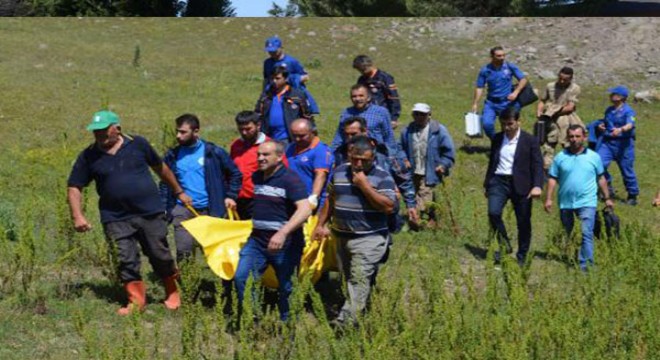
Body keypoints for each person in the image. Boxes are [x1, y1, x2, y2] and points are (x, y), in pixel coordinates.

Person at [67, 110, 187, 315]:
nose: (99, 135)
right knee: (125, 258)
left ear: (117, 129)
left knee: (159, 253)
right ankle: (136, 300)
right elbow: (74, 186)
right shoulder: (88, 155)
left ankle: (172, 290)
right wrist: (77, 215)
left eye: (104, 131)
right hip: (115, 217)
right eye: (96, 131)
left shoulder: (138, 144)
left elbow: (161, 168)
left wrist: (179, 191)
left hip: (149, 212)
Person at [312, 135, 397, 326]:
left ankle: (346, 322)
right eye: (354, 159)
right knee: (348, 277)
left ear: (373, 157)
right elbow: (330, 199)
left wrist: (365, 185)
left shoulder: (383, 177)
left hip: (369, 238)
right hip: (341, 237)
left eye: (364, 160)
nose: (358, 163)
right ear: (349, 154)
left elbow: (389, 207)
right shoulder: (340, 171)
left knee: (358, 278)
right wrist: (320, 224)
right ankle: (361, 310)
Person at [233, 141, 312, 321]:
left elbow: (305, 209)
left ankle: (288, 328)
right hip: (257, 241)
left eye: (266, 155)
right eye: (259, 154)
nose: (260, 158)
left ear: (279, 157)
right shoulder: (257, 177)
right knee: (242, 277)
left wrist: (283, 233)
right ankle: (251, 321)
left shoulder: (290, 179)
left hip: (286, 244)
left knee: (287, 286)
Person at [160, 114, 242, 263]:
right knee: (183, 249)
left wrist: (231, 196)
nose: (178, 136)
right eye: (177, 131)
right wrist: (165, 207)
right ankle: (187, 284)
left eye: (183, 132)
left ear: (196, 131)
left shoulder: (213, 152)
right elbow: (166, 182)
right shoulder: (173, 155)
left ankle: (224, 284)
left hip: (211, 209)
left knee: (217, 252)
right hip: (183, 209)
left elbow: (235, 174)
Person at [544, 125, 614, 271]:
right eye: (571, 136)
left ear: (584, 137)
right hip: (566, 202)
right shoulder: (560, 157)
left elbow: (601, 178)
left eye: (577, 136)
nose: (574, 139)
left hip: (587, 201)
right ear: (567, 138)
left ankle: (586, 264)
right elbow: (552, 179)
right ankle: (569, 255)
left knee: (586, 232)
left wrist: (607, 198)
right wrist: (548, 198)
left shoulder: (593, 157)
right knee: (567, 231)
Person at [333, 116, 418, 229]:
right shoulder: (339, 154)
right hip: (349, 220)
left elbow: (403, 179)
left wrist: (411, 205)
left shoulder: (386, 153)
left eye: (353, 134)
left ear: (365, 131)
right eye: (346, 134)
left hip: (382, 211)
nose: (349, 138)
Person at [483, 107, 543, 265]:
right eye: (503, 124)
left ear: (518, 122)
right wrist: (487, 184)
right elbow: (492, 162)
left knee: (523, 221)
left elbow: (537, 165)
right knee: (493, 213)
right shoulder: (497, 138)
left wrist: (537, 186)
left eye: (509, 124)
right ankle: (505, 244)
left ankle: (522, 256)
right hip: (499, 181)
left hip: (522, 183)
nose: (506, 127)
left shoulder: (530, 140)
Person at [400, 103, 456, 229]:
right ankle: (431, 218)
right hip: (413, 170)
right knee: (413, 193)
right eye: (416, 114)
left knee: (424, 196)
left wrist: (443, 164)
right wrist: (404, 159)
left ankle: (416, 220)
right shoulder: (407, 131)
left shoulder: (439, 131)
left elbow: (449, 152)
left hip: (431, 170)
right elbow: (400, 147)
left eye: (423, 114)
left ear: (429, 115)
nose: (419, 117)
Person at [471, 46, 528, 140]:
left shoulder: (510, 67)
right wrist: (475, 103)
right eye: (499, 56)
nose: (502, 58)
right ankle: (496, 141)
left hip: (507, 102)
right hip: (491, 103)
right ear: (492, 56)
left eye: (503, 55)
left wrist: (516, 92)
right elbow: (480, 87)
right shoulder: (485, 70)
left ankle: (506, 146)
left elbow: (523, 79)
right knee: (487, 124)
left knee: (508, 127)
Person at [597, 86, 639, 206]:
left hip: (624, 144)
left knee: (627, 170)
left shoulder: (628, 111)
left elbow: (630, 124)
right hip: (608, 142)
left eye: (614, 94)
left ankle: (632, 194)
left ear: (621, 97)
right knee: (599, 164)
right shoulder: (609, 110)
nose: (611, 96)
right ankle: (607, 186)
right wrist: (601, 125)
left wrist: (621, 129)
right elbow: (606, 122)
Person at [330, 84, 398, 157]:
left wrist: (392, 156)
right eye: (354, 96)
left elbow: (388, 137)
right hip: (351, 154)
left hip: (376, 153)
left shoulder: (381, 112)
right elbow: (339, 137)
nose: (357, 99)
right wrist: (331, 155)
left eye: (361, 96)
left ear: (368, 98)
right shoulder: (346, 113)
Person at [537, 67, 584, 170]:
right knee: (548, 144)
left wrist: (553, 112)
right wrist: (539, 111)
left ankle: (572, 167)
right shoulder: (550, 86)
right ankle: (546, 170)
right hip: (548, 119)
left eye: (565, 80)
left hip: (565, 118)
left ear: (570, 79)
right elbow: (542, 100)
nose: (562, 81)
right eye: (560, 78)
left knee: (568, 142)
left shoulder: (574, 88)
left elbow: (570, 107)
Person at [230, 111, 275, 220]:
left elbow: (280, 174)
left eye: (248, 129)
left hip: (259, 200)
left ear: (258, 125)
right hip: (237, 200)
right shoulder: (236, 145)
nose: (244, 133)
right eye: (241, 129)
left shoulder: (270, 146)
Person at [285, 118, 333, 211]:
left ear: (313, 132)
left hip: (307, 202)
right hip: (290, 199)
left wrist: (313, 197)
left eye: (302, 136)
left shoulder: (320, 151)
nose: (297, 139)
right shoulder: (291, 147)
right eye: (294, 135)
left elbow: (321, 175)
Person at [262, 36, 319, 114]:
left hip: (290, 94)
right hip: (273, 94)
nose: (272, 53)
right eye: (269, 51)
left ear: (281, 48)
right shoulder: (267, 63)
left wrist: (292, 79)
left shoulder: (291, 61)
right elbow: (266, 79)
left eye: (274, 51)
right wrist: (264, 93)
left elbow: (306, 77)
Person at [255, 66, 311, 144]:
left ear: (286, 79)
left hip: (289, 138)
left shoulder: (297, 95)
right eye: (272, 78)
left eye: (277, 78)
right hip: (268, 138)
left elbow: (307, 115)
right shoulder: (266, 96)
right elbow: (258, 114)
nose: (274, 81)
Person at [353, 54, 401, 128]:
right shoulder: (361, 80)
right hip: (365, 115)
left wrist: (394, 118)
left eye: (362, 69)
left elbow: (394, 98)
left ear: (368, 65)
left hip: (382, 115)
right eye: (359, 70)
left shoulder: (385, 78)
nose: (361, 72)